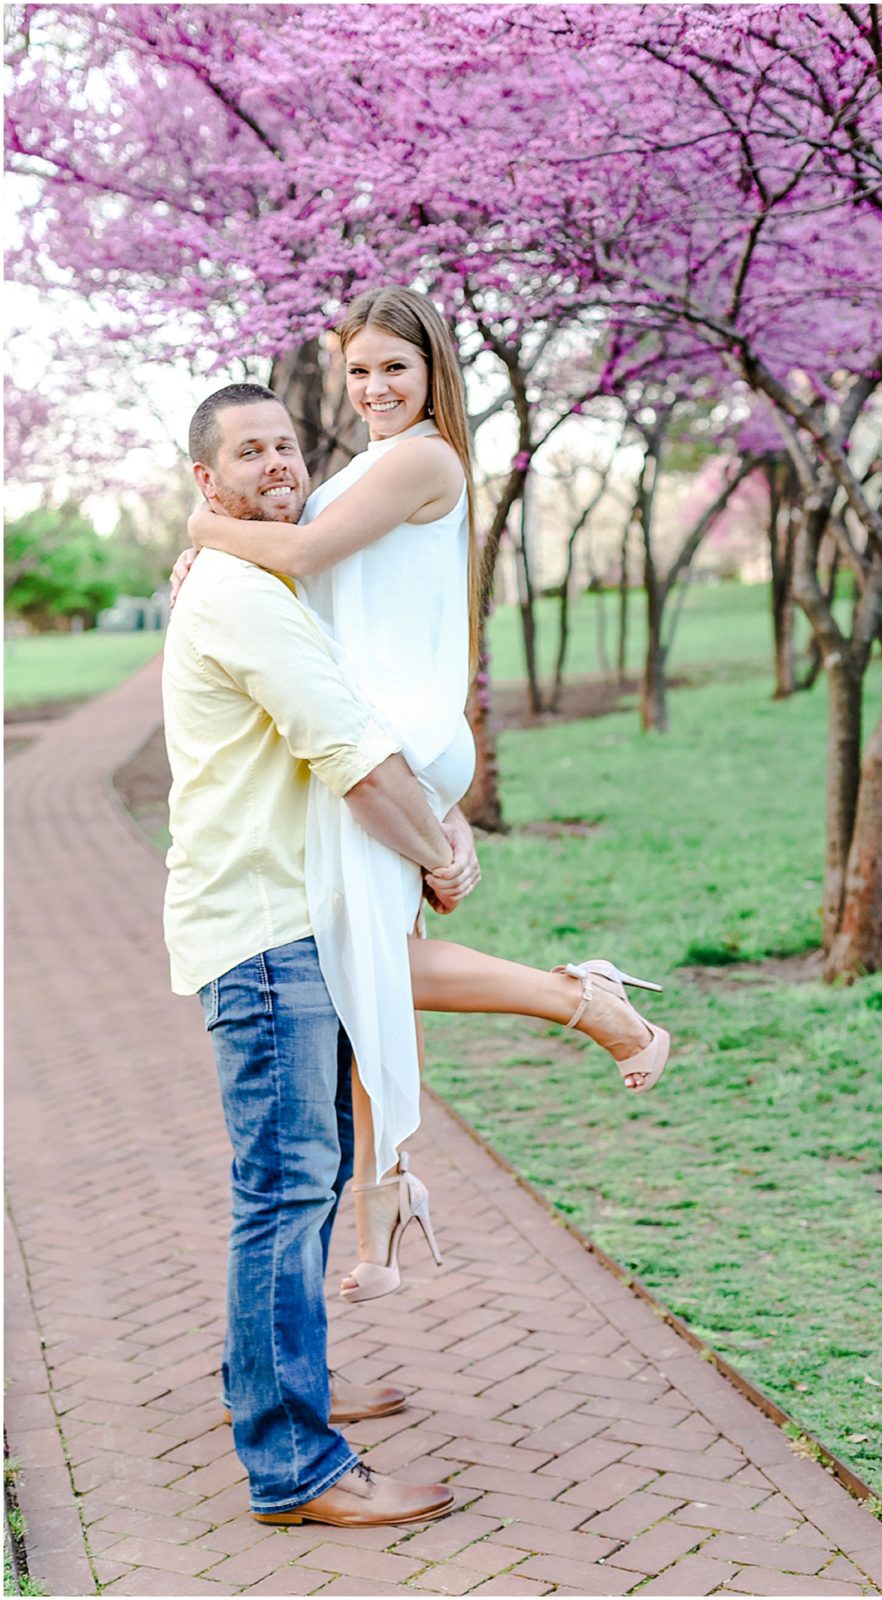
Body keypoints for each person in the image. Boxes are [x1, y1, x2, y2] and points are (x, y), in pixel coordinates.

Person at [180, 286, 670, 1308]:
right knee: (360, 978)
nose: (375, 388)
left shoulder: (424, 457)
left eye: (395, 367)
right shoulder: (367, 465)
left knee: (368, 962)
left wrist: (200, 529)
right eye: (358, 371)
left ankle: (589, 1005)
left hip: (389, 728)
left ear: (435, 370)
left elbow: (306, 554)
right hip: (387, 726)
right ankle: (381, 1217)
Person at [163, 382, 464, 1529]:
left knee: (303, 1180)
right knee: (284, 1194)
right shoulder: (243, 594)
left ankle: (278, 1381)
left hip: (286, 925)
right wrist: (440, 856)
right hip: (266, 934)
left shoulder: (259, 580)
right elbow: (354, 758)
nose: (278, 464)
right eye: (250, 451)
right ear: (209, 482)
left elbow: (367, 725)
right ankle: (295, 1464)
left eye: (288, 444)